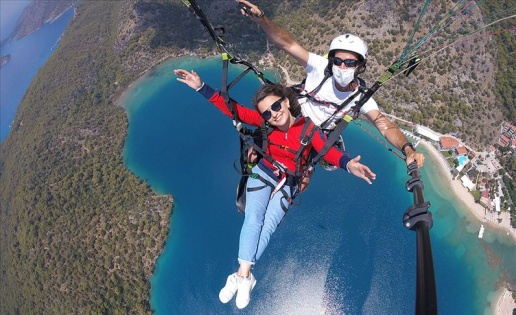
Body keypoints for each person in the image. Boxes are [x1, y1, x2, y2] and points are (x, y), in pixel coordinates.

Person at [174, 68, 376, 309]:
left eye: (276, 106)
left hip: (288, 181)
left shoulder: (309, 130)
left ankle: (240, 276)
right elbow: (233, 110)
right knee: (254, 218)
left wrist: (347, 164)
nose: (273, 114)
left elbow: (328, 151)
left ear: (287, 102)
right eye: (267, 113)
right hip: (264, 172)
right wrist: (200, 87)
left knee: (267, 227)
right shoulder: (264, 123)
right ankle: (244, 275)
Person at [236, 0, 425, 168]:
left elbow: (385, 126)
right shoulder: (319, 66)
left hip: (311, 136)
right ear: (331, 61)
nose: (342, 66)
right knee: (252, 156)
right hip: (289, 116)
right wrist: (262, 19)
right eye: (338, 61)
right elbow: (288, 44)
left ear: (360, 67)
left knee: (299, 177)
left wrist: (408, 149)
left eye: (350, 62)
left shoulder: (361, 99)